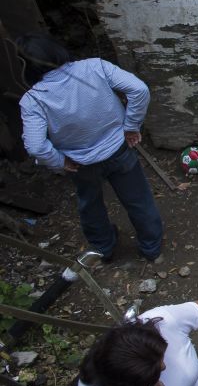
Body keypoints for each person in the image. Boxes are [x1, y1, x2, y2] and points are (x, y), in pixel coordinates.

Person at [16, 34, 164, 261]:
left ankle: (103, 250)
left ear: (26, 65)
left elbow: (36, 146)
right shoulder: (95, 66)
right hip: (119, 149)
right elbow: (139, 90)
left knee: (91, 207)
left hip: (80, 164)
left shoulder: (33, 99)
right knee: (138, 200)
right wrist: (131, 126)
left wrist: (60, 161)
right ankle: (152, 249)